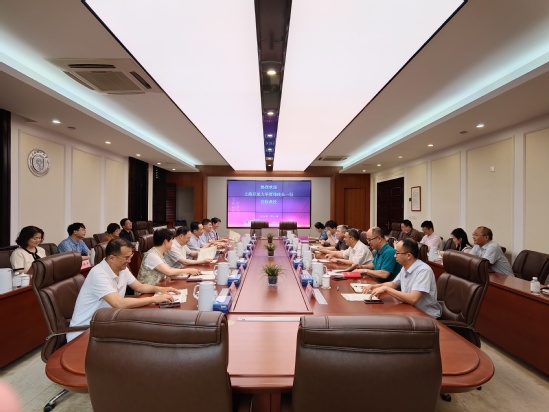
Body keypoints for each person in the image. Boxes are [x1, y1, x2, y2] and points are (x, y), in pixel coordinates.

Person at [68, 238, 179, 341]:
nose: (129, 261)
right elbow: (118, 303)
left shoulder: (122, 268)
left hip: (106, 324)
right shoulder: (98, 274)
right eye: (126, 258)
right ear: (111, 258)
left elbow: (139, 287)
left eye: (130, 256)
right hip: (85, 332)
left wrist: (162, 289)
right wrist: (154, 299)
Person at [364, 238, 441, 318]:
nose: (394, 255)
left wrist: (386, 289)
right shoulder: (405, 267)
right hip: (409, 310)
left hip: (425, 316)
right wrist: (374, 286)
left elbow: (413, 299)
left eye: (397, 253)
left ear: (408, 256)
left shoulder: (423, 271)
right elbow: (393, 284)